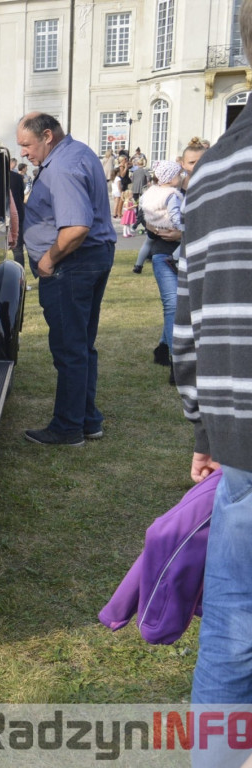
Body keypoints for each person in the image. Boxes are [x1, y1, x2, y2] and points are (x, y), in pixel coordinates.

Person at [178, 1, 252, 749]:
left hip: (241, 442)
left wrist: (205, 426)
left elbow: (189, 325)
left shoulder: (216, 167)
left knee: (233, 629)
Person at [16, 112, 116, 446]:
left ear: (47, 135)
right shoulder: (79, 152)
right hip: (92, 258)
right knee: (82, 345)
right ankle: (88, 419)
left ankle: (68, 427)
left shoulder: (61, 167)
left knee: (70, 349)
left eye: (26, 145)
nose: (24, 153)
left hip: (71, 265)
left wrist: (48, 259)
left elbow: (76, 228)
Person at [139, 160, 184, 377]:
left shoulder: (184, 192)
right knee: (172, 304)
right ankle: (177, 362)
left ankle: (163, 348)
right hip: (163, 253)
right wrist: (155, 228)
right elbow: (144, 219)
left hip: (186, 252)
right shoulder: (165, 194)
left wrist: (182, 234)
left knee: (180, 305)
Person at [8, 160, 26, 267]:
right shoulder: (17, 177)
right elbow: (21, 196)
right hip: (16, 214)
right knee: (18, 250)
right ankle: (20, 274)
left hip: (5, 214)